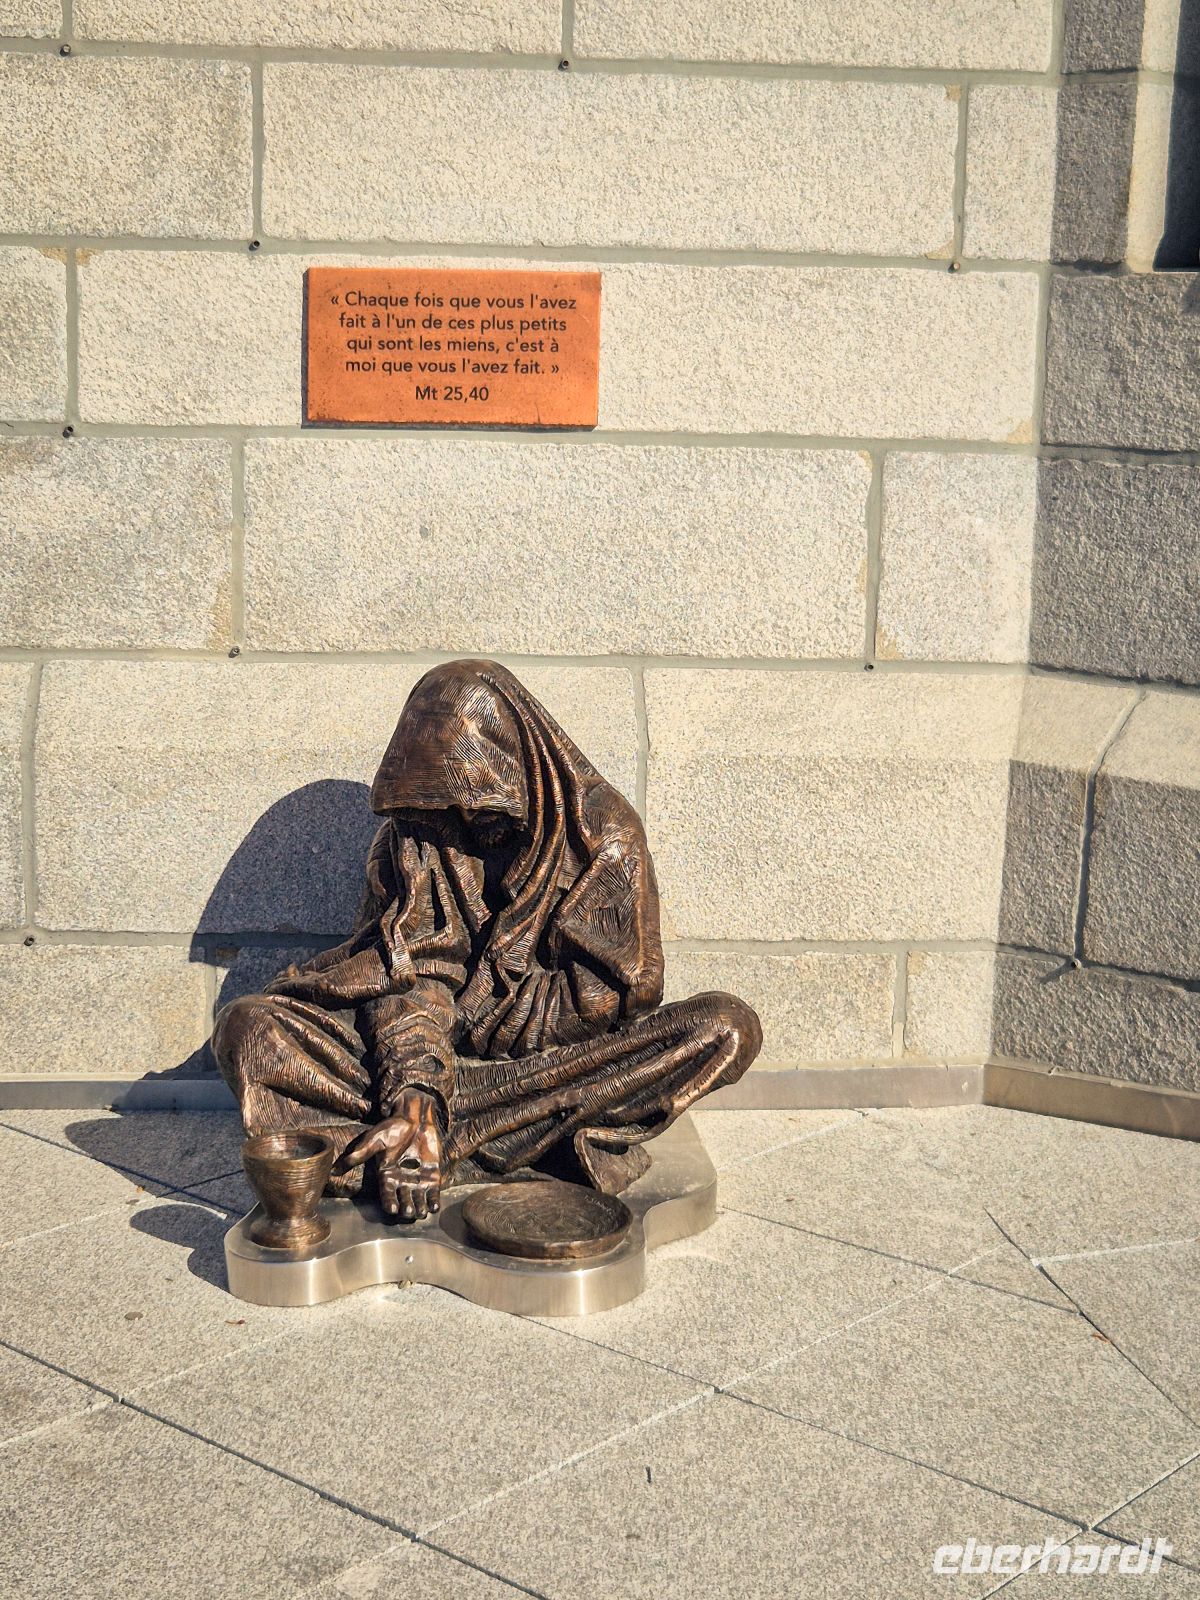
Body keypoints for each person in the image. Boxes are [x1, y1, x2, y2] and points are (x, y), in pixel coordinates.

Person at [213, 659, 761, 1221]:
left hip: (547, 1071)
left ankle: (418, 1142)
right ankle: (430, 1131)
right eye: (456, 808)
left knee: (724, 1028)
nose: (471, 823)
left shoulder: (606, 838)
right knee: (249, 1028)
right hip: (432, 1059)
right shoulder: (413, 835)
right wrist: (415, 1092)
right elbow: (408, 977)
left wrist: (471, 1015)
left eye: (484, 800)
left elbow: (608, 1002)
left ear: (517, 759)